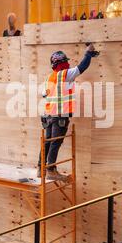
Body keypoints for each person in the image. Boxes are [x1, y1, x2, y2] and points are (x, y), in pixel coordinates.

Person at [38, 44, 100, 182]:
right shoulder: (65, 74)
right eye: (66, 61)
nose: (68, 63)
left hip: (48, 115)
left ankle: (40, 168)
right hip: (60, 115)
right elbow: (81, 67)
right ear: (62, 63)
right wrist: (88, 54)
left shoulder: (50, 77)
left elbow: (44, 94)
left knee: (47, 142)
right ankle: (51, 170)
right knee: (56, 142)